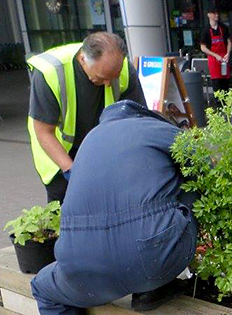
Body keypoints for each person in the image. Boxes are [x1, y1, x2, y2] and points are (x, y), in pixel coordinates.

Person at [30, 100, 198, 315]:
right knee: (190, 193)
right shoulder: (156, 129)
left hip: (80, 267)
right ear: (145, 115)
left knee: (42, 288)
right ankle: (164, 281)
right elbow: (206, 168)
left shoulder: (88, 143)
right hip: (154, 256)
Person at [27, 32, 146, 203]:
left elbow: (137, 121)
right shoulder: (50, 72)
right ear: (82, 59)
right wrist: (71, 171)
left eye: (113, 78)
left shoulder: (123, 69)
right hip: (60, 154)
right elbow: (44, 132)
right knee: (67, 208)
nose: (108, 84)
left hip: (102, 151)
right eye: (101, 78)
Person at [199, 8, 232, 94]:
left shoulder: (223, 28)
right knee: (217, 86)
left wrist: (228, 53)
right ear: (209, 15)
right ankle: (218, 105)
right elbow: (203, 47)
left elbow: (229, 42)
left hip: (224, 58)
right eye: (214, 13)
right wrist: (215, 55)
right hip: (214, 60)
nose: (216, 15)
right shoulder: (205, 31)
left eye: (217, 13)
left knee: (226, 85)